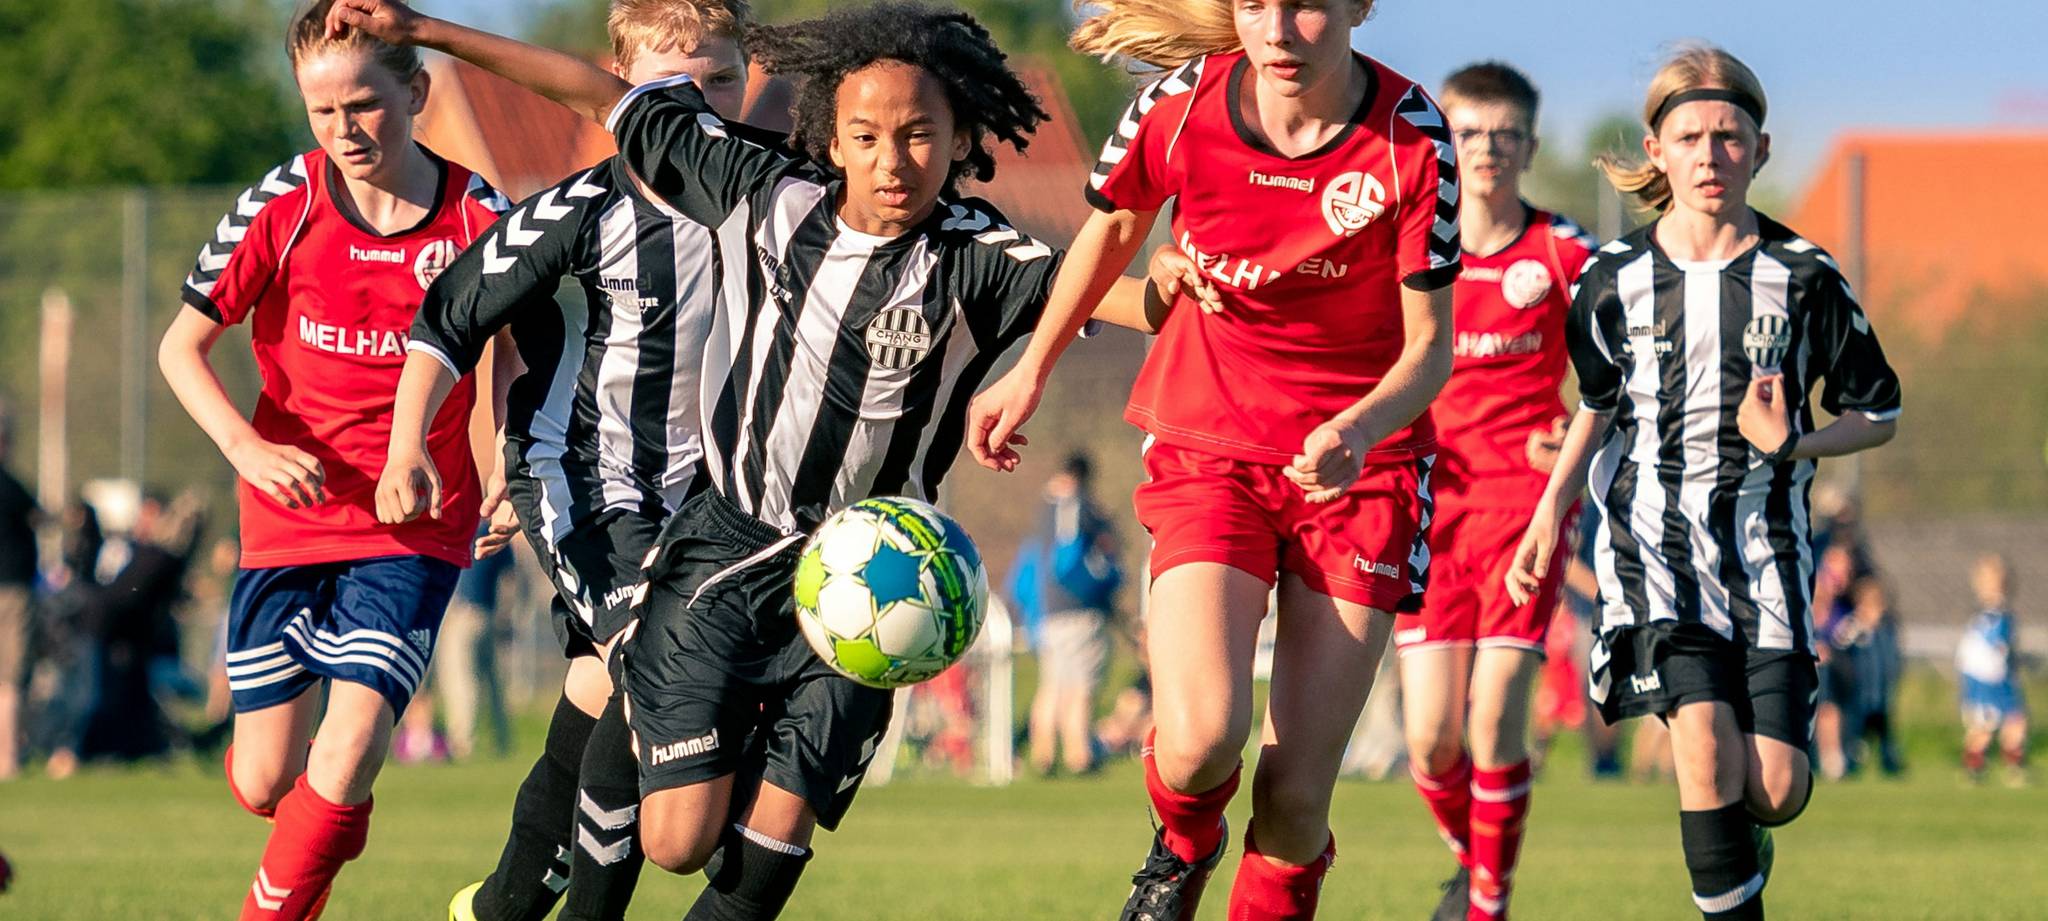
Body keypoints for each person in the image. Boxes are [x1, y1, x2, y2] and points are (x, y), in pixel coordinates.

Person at [325, 2, 1156, 919]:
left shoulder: (978, 254)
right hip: (721, 546)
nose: (892, 160)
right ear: (830, 141)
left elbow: (1112, 293)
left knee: (774, 825)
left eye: (920, 135)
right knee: (675, 838)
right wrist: (429, 32)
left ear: (961, 138)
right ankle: (535, 887)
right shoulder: (768, 194)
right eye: (866, 137)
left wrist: (1185, 280)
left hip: (869, 574)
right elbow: (602, 101)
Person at [969, 0, 1462, 915]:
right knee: (1198, 741)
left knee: (1294, 799)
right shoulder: (1181, 103)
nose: (1276, 31)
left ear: (1360, 6)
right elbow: (1110, 233)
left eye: (1305, 4)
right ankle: (1182, 849)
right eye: (1253, 5)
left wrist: (1358, 429)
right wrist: (1030, 369)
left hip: (1360, 467)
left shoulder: (1412, 137)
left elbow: (1431, 348)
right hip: (1212, 442)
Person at [363, 1, 774, 916]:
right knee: (651, 666)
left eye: (720, 81)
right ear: (618, 87)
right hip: (587, 481)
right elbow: (451, 318)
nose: (697, 106)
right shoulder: (580, 210)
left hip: (711, 502)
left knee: (599, 685)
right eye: (670, 87)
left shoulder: (774, 197)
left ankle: (500, 907)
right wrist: (406, 447)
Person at [1504, 45, 1903, 921]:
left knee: (1776, 787)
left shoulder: (1806, 277)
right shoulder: (1611, 280)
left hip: (1769, 558)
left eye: (1729, 136)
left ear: (1760, 149)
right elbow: (1596, 404)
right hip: (1655, 552)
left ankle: (1748, 838)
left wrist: (1796, 442)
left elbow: (1880, 410)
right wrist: (1549, 509)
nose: (1710, 154)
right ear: (1657, 150)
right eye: (1690, 137)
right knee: (1703, 748)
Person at [157, 2, 508, 915]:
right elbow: (180, 348)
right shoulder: (286, 202)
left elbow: (514, 353)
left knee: (347, 752)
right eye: (323, 111)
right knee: (267, 782)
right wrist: (247, 447)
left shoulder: (478, 215)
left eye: (364, 105)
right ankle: (326, 816)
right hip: (291, 513)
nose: (344, 129)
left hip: (413, 521)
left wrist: (511, 455)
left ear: (415, 93)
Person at [1379, 62, 1595, 921]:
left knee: (1497, 714)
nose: (1487, 149)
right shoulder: (1405, 248)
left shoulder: (1565, 252)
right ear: (1445, 141)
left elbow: (1622, 374)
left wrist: (1574, 435)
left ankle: (1486, 907)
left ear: (1530, 147)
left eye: (1506, 135)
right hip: (1427, 513)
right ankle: (1480, 869)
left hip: (1523, 514)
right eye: (1469, 132)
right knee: (1431, 739)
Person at [1026, 452, 1121, 777]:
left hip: (1048, 608)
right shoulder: (1079, 506)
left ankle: (1043, 754)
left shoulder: (1045, 507)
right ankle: (1079, 755)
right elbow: (1090, 553)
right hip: (1080, 608)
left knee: (1052, 683)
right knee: (1081, 685)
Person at [1958, 554, 2028, 787]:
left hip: (2003, 679)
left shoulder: (2004, 614)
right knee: (1983, 726)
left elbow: (2006, 647)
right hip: (1984, 680)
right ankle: (1973, 767)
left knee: (2015, 720)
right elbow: (1975, 652)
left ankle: (2014, 767)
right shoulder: (1982, 618)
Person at [0, 399, 41, 782]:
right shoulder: (12, 487)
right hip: (13, 593)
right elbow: (40, 519)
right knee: (11, 679)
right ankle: (8, 758)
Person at [1829, 577, 1900, 777]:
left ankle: (1890, 761)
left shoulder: (1885, 630)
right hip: (1858, 690)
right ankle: (1850, 762)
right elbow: (1840, 647)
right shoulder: (1853, 627)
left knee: (1884, 730)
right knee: (1855, 729)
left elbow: (1891, 658)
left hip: (1879, 690)